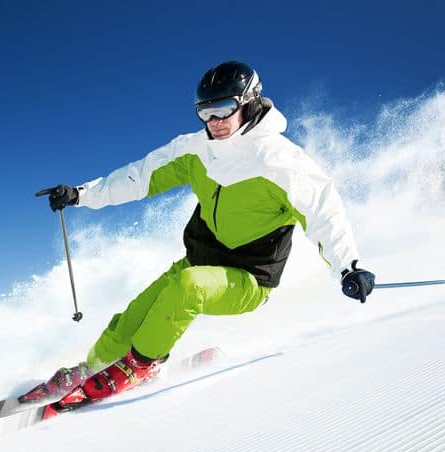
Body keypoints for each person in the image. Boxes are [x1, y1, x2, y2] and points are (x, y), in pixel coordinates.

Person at [19, 61, 376, 415]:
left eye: (223, 109)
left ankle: (141, 365)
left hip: (249, 279)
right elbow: (138, 178)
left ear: (249, 102)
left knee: (187, 287)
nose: (215, 122)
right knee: (132, 319)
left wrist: (349, 267)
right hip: (199, 261)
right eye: (205, 112)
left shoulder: (282, 161)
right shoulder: (194, 150)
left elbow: (324, 213)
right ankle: (94, 366)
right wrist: (81, 194)